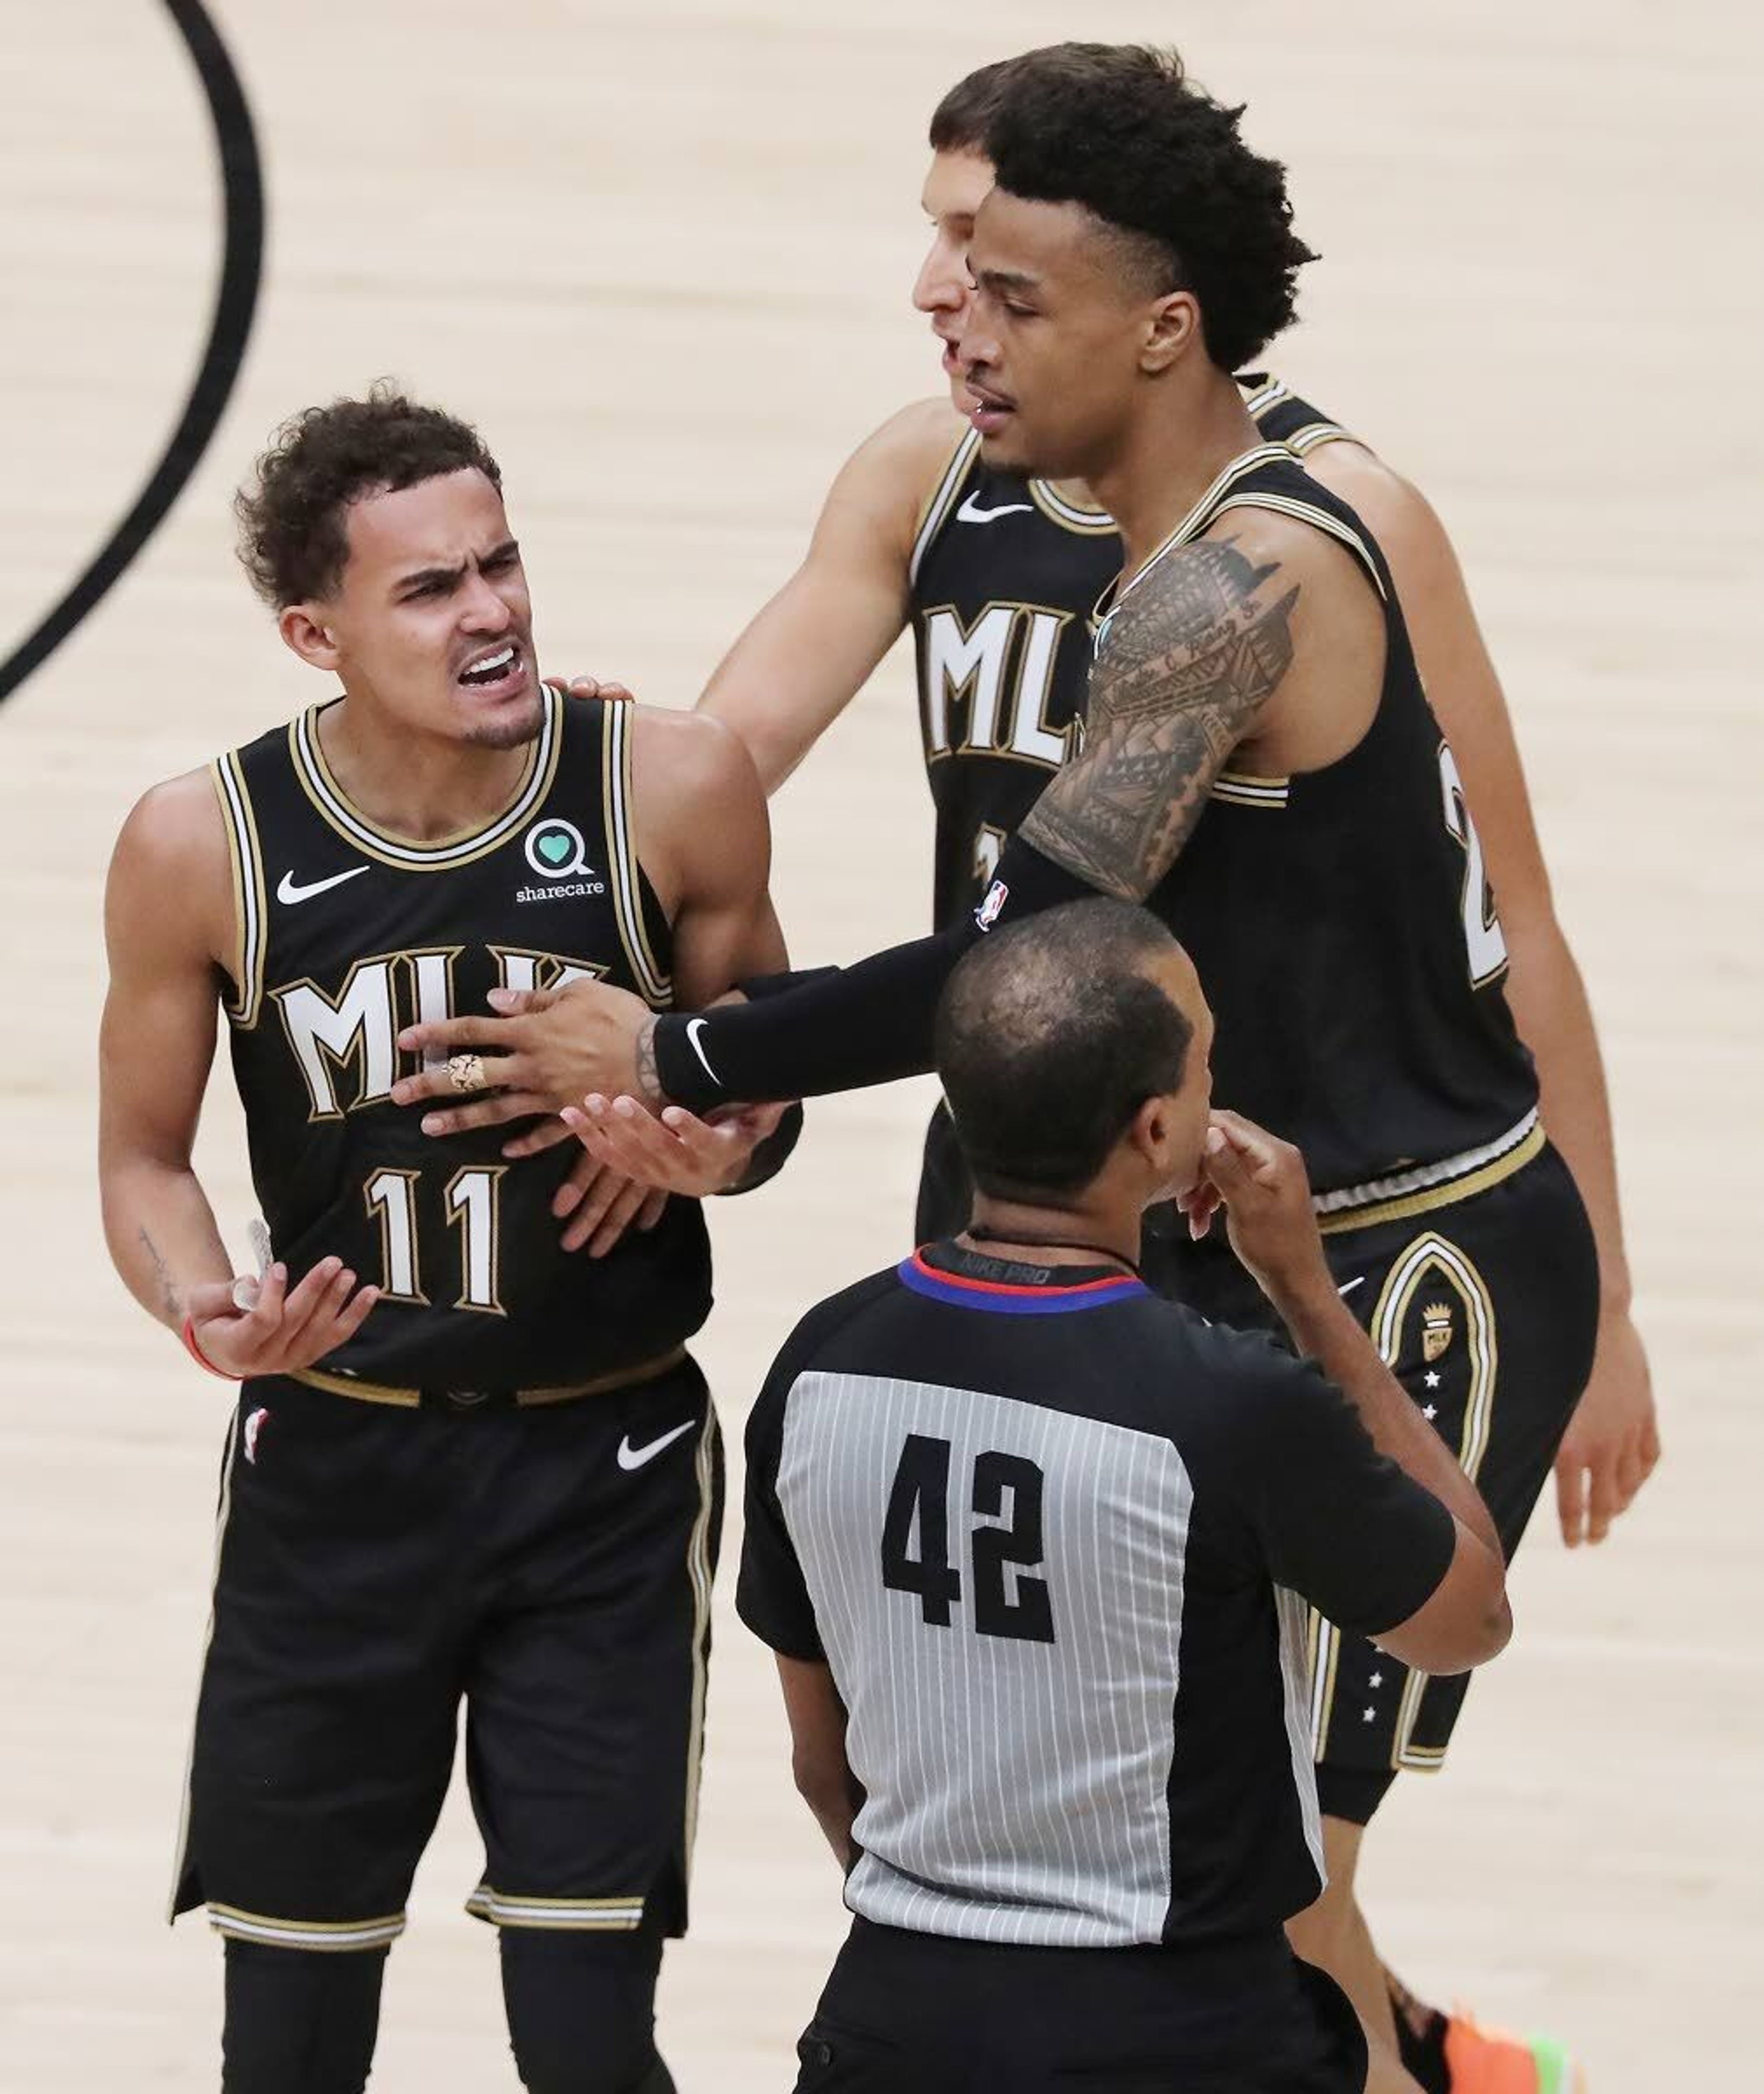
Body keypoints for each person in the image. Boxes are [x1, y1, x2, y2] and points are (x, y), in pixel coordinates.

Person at [394, 59, 1616, 2093]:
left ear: (1161, 326)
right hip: (1129, 1204)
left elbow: (1012, 957)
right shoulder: (1040, 511)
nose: (945, 308)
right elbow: (784, 779)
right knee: (1183, 1821)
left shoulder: (1256, 571)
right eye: (951, 259)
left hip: (1370, 1251)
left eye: (1008, 282)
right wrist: (554, 833)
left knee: (1267, 1873)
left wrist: (691, 1050)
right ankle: (1429, 2050)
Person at [97, 389, 797, 2094]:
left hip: (605, 1467)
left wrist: (708, 1143)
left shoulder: (670, 781)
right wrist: (205, 1306)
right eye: (429, 589)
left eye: (500, 565)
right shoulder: (203, 843)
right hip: (335, 1471)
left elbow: (769, 1077)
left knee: (583, 2039)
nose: (491, 611)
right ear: (313, 632)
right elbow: (139, 1156)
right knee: (288, 2042)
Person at [737, 898, 1513, 2094]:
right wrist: (1307, 1293)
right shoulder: (1227, 1405)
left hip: (894, 2016)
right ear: (1160, 1130)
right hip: (1183, 2030)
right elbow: (1465, 1620)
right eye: (1207, 1063)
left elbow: (820, 1763)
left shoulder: (817, 1361)